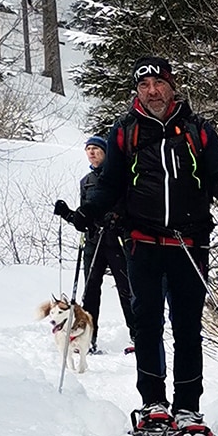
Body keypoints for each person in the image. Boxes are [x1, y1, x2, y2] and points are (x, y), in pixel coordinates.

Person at [57, 56, 218, 436]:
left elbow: (217, 171)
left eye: (158, 83)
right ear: (137, 91)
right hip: (142, 242)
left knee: (188, 326)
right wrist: (88, 212)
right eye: (144, 86)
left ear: (171, 85)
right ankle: (154, 402)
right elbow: (110, 183)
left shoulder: (199, 129)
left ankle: (187, 406)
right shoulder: (125, 131)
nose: (152, 91)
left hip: (190, 242)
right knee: (147, 325)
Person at [75, 134, 132, 354]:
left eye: (96, 149)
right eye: (88, 149)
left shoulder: (119, 176)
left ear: (106, 153)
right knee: (90, 292)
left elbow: (128, 205)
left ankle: (138, 337)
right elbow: (84, 211)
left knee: (127, 289)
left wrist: (117, 217)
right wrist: (74, 217)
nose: (91, 152)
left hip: (116, 241)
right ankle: (87, 338)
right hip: (93, 241)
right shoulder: (86, 181)